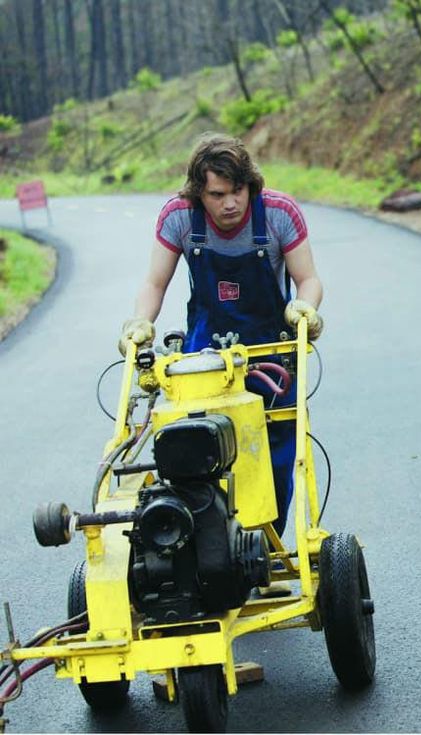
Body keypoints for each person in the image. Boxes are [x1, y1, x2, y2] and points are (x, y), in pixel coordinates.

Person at [119, 132, 324, 548]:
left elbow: (308, 278)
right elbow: (154, 283)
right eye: (217, 194)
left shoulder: (279, 214)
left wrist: (306, 306)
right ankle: (201, 545)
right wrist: (139, 323)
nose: (230, 204)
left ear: (250, 184)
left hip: (271, 356)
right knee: (195, 447)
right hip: (205, 357)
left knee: (279, 456)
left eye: (238, 191)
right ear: (199, 192)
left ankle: (265, 545)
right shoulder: (178, 218)